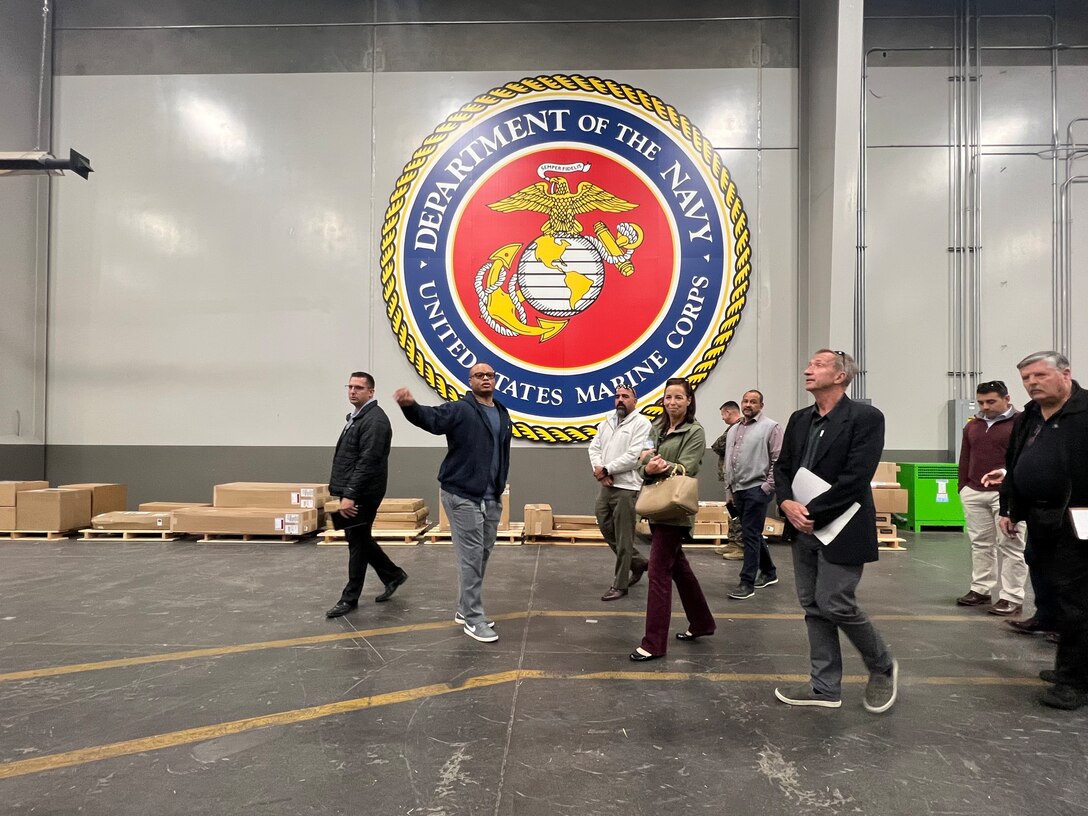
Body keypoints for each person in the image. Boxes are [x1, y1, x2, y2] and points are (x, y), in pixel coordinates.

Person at [772, 350, 898, 713]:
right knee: (813, 606)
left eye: (818, 365)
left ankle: (882, 666)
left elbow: (856, 477)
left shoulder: (865, 418)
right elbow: (782, 469)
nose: (807, 369)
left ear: (841, 376)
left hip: (842, 525)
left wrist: (812, 510)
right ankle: (825, 688)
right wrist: (786, 505)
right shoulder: (799, 419)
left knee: (835, 602)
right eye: (809, 364)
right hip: (801, 525)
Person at [394, 362, 512, 644]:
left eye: (490, 375)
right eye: (479, 375)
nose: (485, 379)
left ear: (495, 380)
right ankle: (473, 619)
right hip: (461, 494)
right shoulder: (461, 409)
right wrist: (410, 406)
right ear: (469, 380)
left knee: (481, 555)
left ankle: (464, 608)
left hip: (491, 496)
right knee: (470, 557)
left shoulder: (501, 412)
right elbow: (432, 419)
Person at [996, 351, 1088, 710]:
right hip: (1039, 518)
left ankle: (1074, 682)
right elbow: (1015, 462)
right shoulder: (1030, 416)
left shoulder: (1084, 412)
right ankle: (1074, 665)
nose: (1031, 383)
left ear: (1065, 374)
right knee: (1050, 592)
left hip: (1077, 520)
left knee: (1076, 601)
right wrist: (1010, 509)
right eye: (1025, 379)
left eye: (1039, 375)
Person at [630, 377, 715, 661]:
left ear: (689, 400)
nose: (672, 402)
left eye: (679, 397)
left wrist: (658, 465)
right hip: (657, 506)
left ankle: (653, 643)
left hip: (674, 509)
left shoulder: (695, 431)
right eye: (668, 397)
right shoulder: (658, 428)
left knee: (658, 573)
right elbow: (642, 462)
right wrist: (648, 466)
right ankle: (702, 622)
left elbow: (688, 467)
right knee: (679, 568)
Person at [326, 372, 408, 618]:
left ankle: (349, 598)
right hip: (353, 490)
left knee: (357, 544)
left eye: (359, 388)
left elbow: (368, 462)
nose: (352, 391)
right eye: (350, 386)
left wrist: (350, 495)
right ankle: (393, 575)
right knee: (359, 540)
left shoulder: (375, 421)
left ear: (371, 392)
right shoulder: (358, 417)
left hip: (362, 493)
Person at [955, 380, 1026, 615]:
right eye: (981, 402)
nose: (985, 406)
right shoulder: (973, 426)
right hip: (974, 492)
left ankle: (1012, 597)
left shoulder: (1021, 423)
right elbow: (965, 457)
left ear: (1007, 399)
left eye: (991, 401)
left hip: (1007, 495)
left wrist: (1009, 482)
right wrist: (963, 487)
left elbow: (1026, 458)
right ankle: (981, 590)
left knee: (1011, 545)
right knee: (980, 544)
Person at [589, 385, 654, 601]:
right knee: (605, 526)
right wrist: (600, 471)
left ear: (635, 400)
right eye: (617, 396)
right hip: (606, 485)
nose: (620, 400)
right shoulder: (606, 422)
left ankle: (620, 584)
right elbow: (594, 448)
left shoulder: (642, 424)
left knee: (625, 537)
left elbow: (635, 455)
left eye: (625, 396)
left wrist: (608, 469)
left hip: (627, 487)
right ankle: (639, 562)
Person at [723, 389, 783, 599]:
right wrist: (729, 489)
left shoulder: (771, 427)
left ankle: (746, 582)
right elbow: (729, 460)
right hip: (738, 490)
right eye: (745, 401)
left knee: (749, 534)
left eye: (753, 402)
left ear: (761, 405)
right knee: (753, 532)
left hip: (757, 489)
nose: (748, 404)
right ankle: (769, 571)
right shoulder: (733, 430)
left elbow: (778, 460)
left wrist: (767, 487)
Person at [711, 401, 744, 560]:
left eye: (723, 415)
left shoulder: (738, 428)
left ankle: (740, 546)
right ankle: (733, 541)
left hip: (738, 478)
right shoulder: (734, 428)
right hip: (730, 479)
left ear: (729, 412)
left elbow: (717, 445)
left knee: (737, 510)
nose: (723, 418)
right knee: (732, 510)